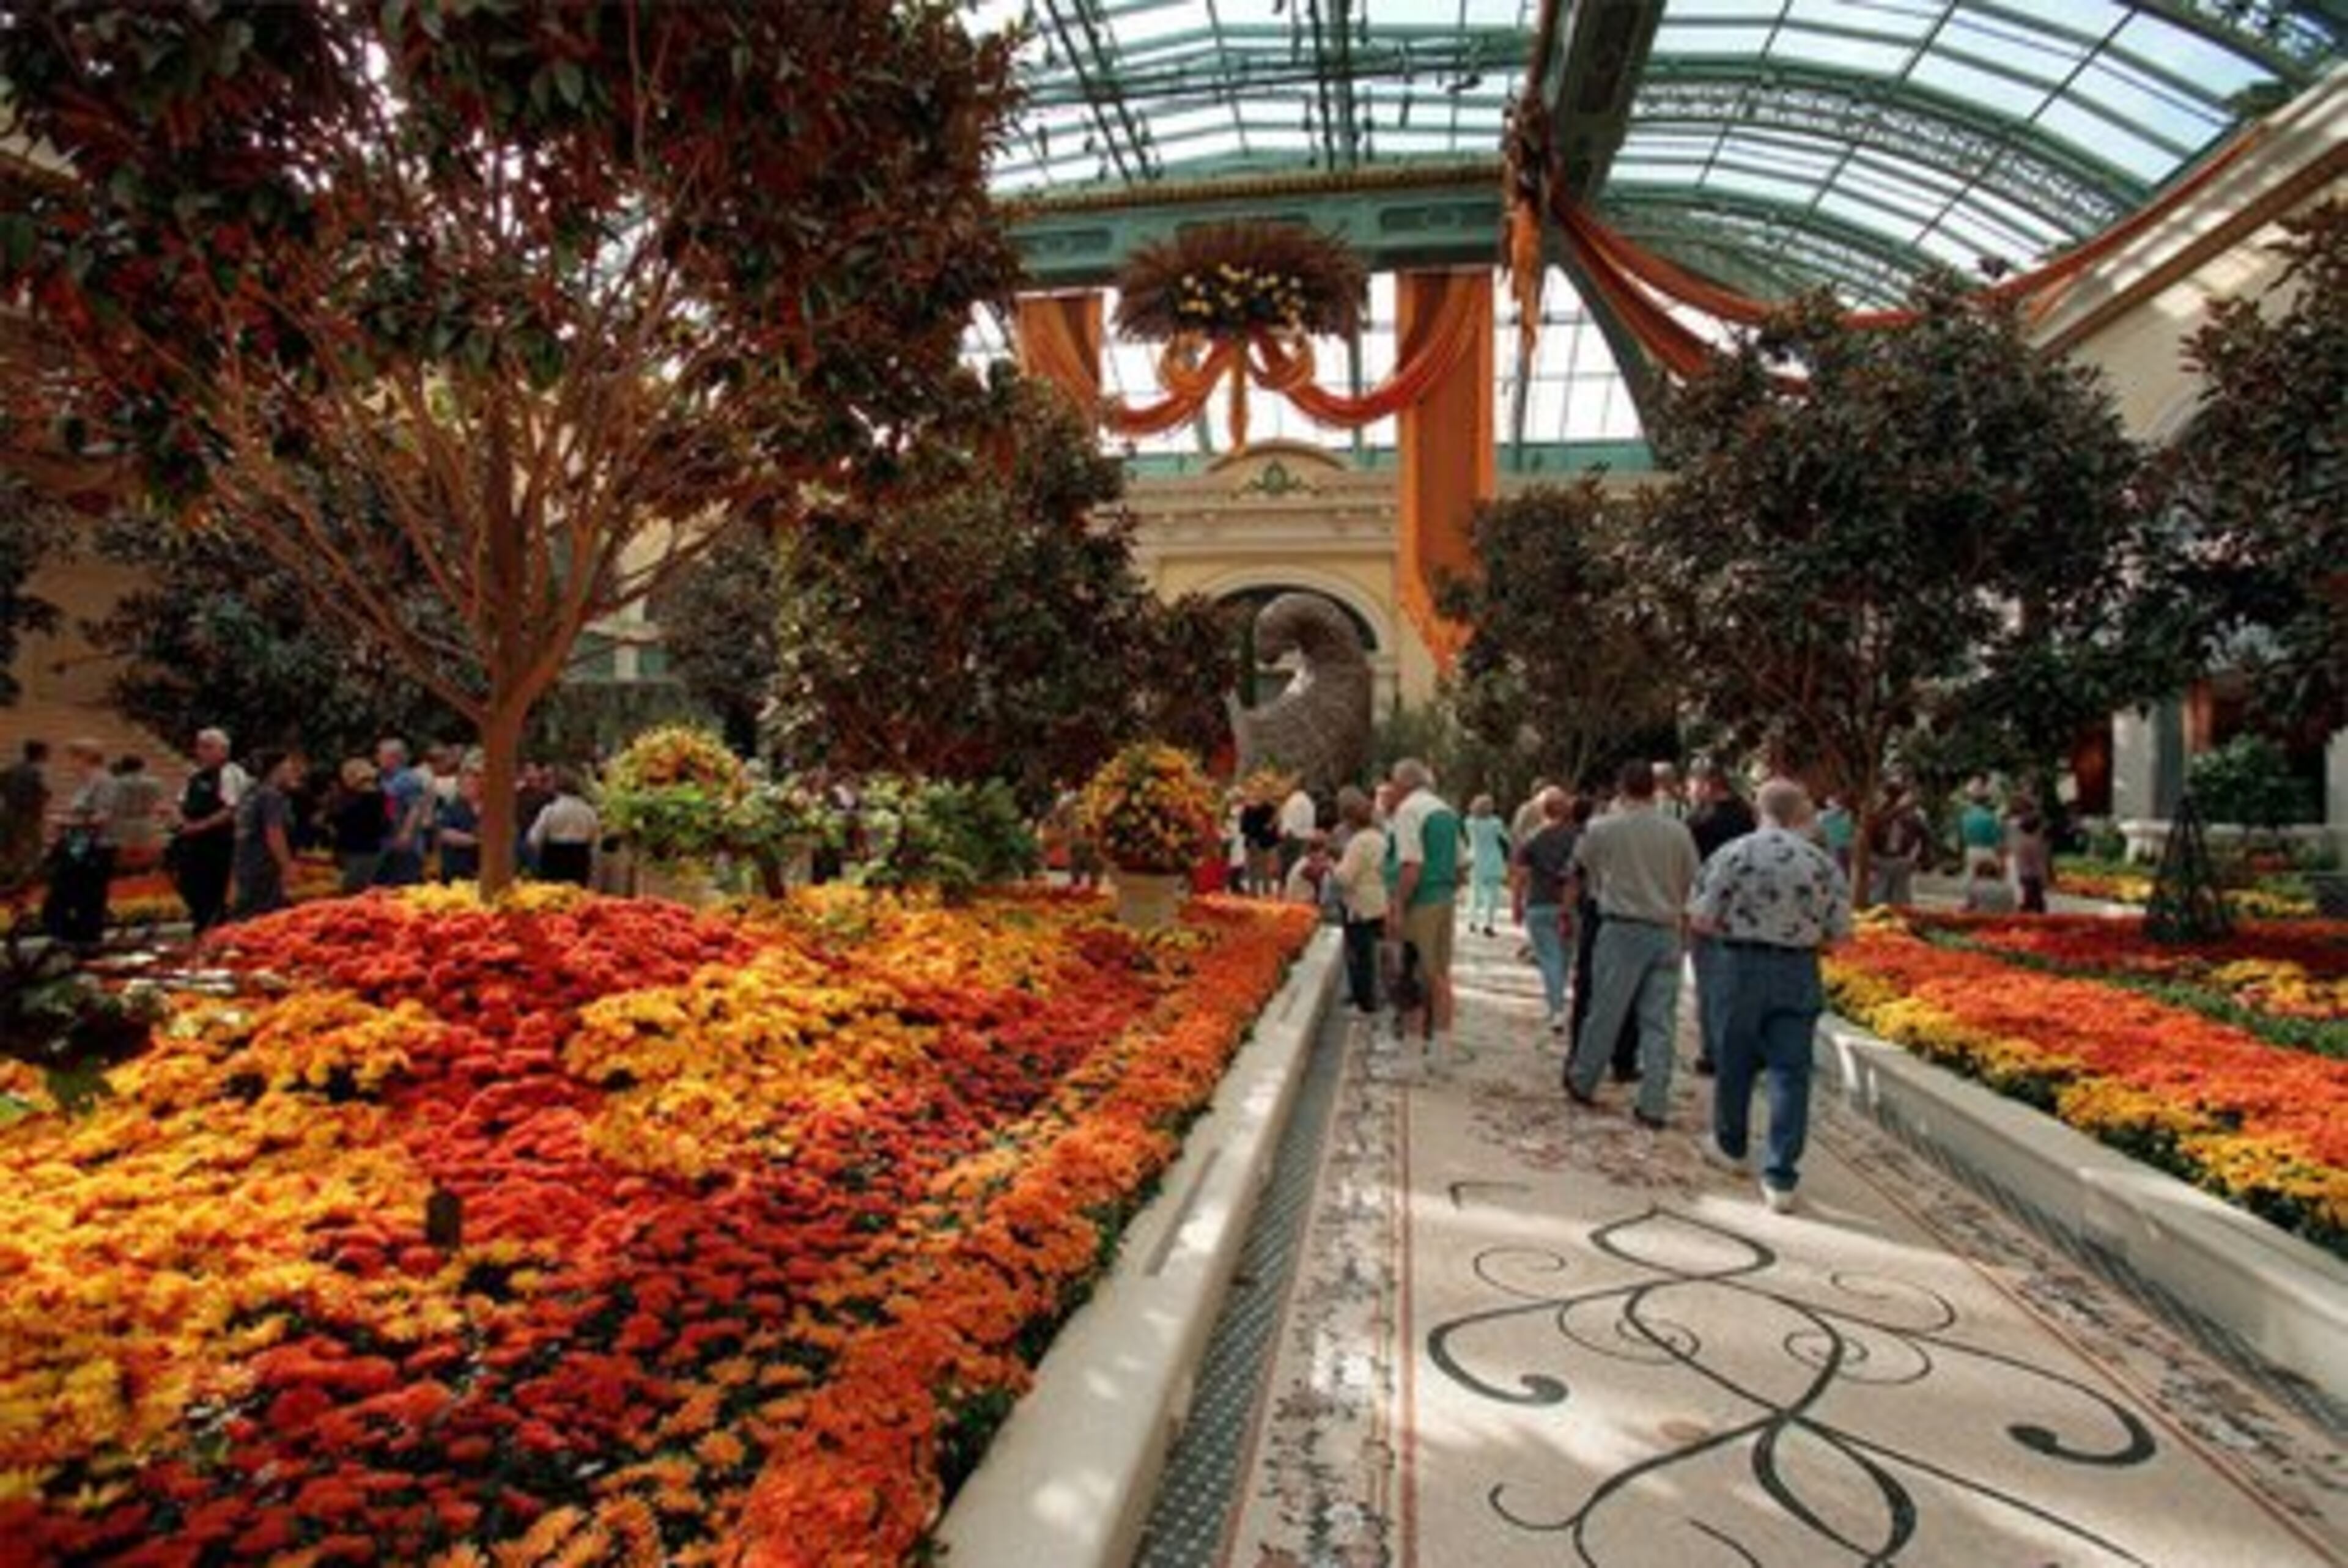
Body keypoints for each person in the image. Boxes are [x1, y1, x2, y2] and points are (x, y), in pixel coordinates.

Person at [1689, 778, 1853, 1213]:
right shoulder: (1822, 863)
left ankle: (1731, 1145)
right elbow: (1841, 934)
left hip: (1739, 966)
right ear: (1800, 813)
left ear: (1758, 809)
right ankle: (1780, 1176)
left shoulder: (1734, 853)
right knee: (1791, 1071)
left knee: (1734, 1059)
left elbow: (1701, 918)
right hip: (1798, 969)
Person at [1563, 760, 1700, 1128]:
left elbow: (1585, 868)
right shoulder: (1678, 832)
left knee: (1606, 1011)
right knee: (1659, 1022)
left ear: (1621, 788)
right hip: (1666, 929)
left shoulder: (1603, 828)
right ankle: (1654, 1104)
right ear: (1654, 788)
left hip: (1621, 926)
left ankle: (1584, 1079)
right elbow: (1692, 879)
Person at [1386, 758, 1465, 1074]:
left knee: (1410, 976)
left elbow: (1411, 866)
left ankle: (1411, 1056)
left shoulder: (1409, 811)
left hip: (1420, 902)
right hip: (1444, 900)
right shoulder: (1445, 811)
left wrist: (1398, 905)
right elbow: (1462, 864)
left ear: (1403, 784)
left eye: (1393, 783)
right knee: (1440, 976)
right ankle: (1442, 1052)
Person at [1686, 763, 1758, 1078]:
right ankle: (1739, 1049)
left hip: (1706, 909)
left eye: (1693, 783)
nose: (1690, 790)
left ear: (1708, 784)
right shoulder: (1747, 817)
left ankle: (1713, 1051)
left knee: (1709, 985)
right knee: (1739, 986)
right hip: (1743, 912)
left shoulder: (1700, 821)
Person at [1512, 787, 1579, 1036]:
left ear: (1542, 810)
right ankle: (1558, 1000)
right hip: (1570, 905)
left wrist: (1517, 903)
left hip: (1539, 903)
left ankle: (1556, 1007)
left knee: (1549, 958)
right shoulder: (1578, 836)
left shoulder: (1533, 838)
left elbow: (1521, 874)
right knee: (1564, 957)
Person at [41, 740, 119, 949]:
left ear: (85, 758)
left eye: (72, 758)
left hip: (95, 849)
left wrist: (67, 822)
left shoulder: (104, 782)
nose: (70, 764)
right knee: (62, 898)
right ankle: (75, 941)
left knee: (86, 900)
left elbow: (103, 817)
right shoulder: (87, 783)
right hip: (78, 846)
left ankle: (86, 944)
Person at [172, 729, 246, 932]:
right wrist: (180, 822)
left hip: (219, 844)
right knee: (190, 885)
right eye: (200, 747)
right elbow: (180, 802)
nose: (201, 752)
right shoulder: (195, 776)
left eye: (207, 747)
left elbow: (231, 809)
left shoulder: (231, 773)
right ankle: (202, 926)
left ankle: (215, 930)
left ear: (224, 751)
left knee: (214, 892)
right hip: (193, 843)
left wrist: (200, 826)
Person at [1331, 787, 1388, 1029]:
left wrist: (1332, 868)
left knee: (1360, 956)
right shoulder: (1381, 838)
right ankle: (1377, 997)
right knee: (1374, 952)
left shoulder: (1358, 843)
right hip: (1380, 901)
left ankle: (1365, 1004)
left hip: (1360, 905)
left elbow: (1346, 877)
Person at [231, 750, 299, 919]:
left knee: (248, 913)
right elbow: (274, 833)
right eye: (290, 769)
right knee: (264, 917)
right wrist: (287, 866)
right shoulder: (271, 796)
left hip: (245, 864)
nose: (294, 774)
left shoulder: (250, 793)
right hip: (265, 867)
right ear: (277, 770)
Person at [374, 737, 432, 886]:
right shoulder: (383, 778)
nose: (377, 758)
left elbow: (416, 807)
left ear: (393, 757)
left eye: (380, 754)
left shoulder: (408, 779)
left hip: (405, 845)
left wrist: (406, 833)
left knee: (403, 884)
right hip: (387, 843)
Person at [528, 768, 600, 886]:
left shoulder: (550, 811)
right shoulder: (589, 812)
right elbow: (596, 841)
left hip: (553, 862)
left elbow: (534, 839)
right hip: (580, 862)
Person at [329, 759, 388, 894]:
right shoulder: (363, 796)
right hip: (357, 850)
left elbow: (350, 822)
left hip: (362, 851)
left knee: (353, 890)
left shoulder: (370, 798)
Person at [0, 738, 50, 889]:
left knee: (9, 847)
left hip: (8, 812)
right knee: (30, 848)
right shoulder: (35, 772)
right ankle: (20, 883)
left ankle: (7, 877)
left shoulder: (11, 768)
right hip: (27, 816)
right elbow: (42, 794)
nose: (48, 755)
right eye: (46, 752)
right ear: (40, 754)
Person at [1867, 786, 1928, 907]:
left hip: (1901, 860)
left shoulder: (1912, 818)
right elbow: (1871, 831)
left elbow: (1924, 837)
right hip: (1881, 860)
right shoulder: (1879, 815)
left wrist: (1917, 858)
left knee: (1901, 899)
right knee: (1879, 897)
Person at [108, 755, 166, 872]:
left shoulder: (115, 783)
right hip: (146, 821)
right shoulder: (155, 782)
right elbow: (160, 804)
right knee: (146, 858)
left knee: (123, 860)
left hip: (122, 823)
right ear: (142, 767)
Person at [1463, 793, 1509, 937]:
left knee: (1474, 891)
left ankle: (1472, 921)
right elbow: (1505, 837)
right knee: (1492, 894)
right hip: (1493, 858)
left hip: (1475, 858)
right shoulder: (1496, 823)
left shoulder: (1470, 822)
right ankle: (1488, 924)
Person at [436, 765, 486, 884]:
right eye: (462, 785)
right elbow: (446, 834)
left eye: (471, 785)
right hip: (456, 869)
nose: (465, 789)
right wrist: (476, 841)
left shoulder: (491, 808)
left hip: (483, 868)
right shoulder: (451, 807)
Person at [1959, 779, 2004, 909]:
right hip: (1987, 849)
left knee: (1972, 877)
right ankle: (1990, 902)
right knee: (1989, 878)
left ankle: (1971, 902)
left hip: (1971, 849)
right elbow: (1997, 838)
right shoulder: (1990, 817)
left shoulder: (1966, 817)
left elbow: (1963, 837)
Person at [2006, 793, 2053, 914]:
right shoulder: (2042, 824)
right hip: (2035, 862)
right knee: (2034, 892)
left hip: (2024, 862)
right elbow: (2047, 847)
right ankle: (2035, 911)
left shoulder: (2013, 824)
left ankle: (2030, 911)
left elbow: (2010, 843)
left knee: (2029, 890)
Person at [1239, 789, 1281, 897]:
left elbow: (1243, 828)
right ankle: (1267, 893)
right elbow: (1273, 829)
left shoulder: (1249, 809)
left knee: (1254, 870)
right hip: (1265, 843)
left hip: (1254, 842)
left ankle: (1254, 893)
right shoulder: (1271, 809)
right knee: (1265, 870)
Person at [1277, 781, 1318, 885]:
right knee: (1300, 866)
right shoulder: (1309, 801)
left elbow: (1289, 822)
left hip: (1293, 837)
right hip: (1306, 837)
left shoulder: (1293, 801)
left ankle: (1285, 887)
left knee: (1288, 866)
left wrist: (1284, 835)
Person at [1817, 794, 1854, 877]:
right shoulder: (1823, 815)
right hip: (1837, 845)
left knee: (1845, 864)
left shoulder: (1846, 813)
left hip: (1844, 844)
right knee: (1840, 865)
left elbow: (1850, 828)